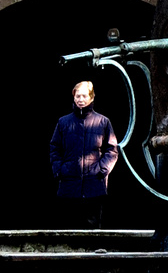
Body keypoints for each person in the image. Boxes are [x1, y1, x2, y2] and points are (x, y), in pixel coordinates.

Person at [48, 80, 119, 229]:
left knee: (92, 228)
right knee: (68, 227)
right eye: (77, 96)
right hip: (69, 183)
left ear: (92, 98)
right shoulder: (63, 122)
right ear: (73, 97)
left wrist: (102, 170)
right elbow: (54, 148)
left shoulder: (103, 122)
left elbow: (112, 150)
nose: (80, 99)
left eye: (84, 96)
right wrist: (59, 170)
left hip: (94, 184)